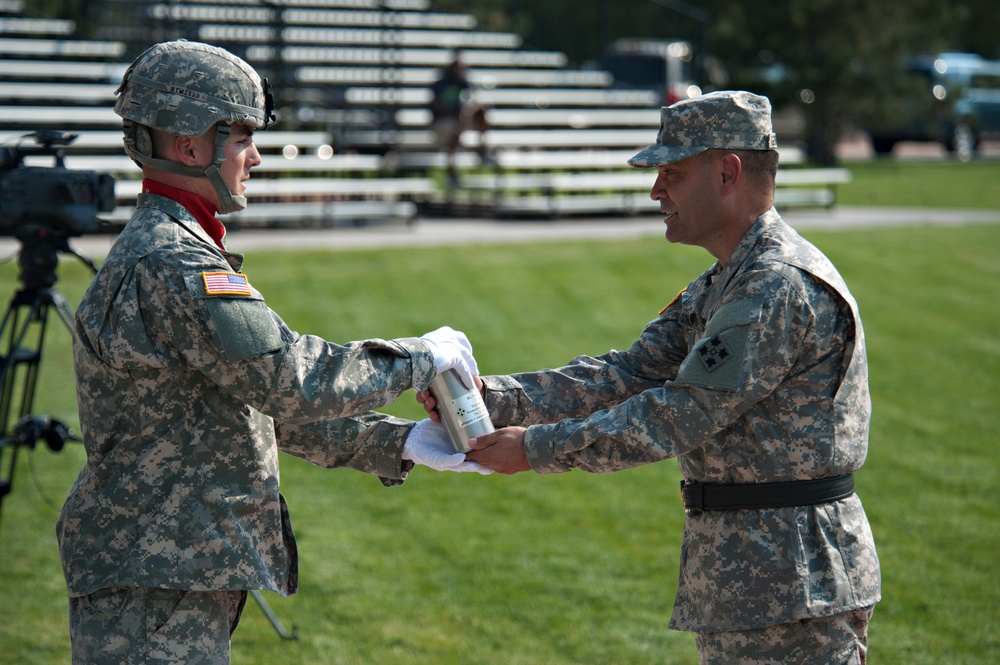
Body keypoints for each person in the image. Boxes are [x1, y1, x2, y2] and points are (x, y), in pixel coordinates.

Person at [56, 40, 487, 665]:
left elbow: (239, 407)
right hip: (157, 578)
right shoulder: (174, 261)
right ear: (189, 145)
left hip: (160, 569)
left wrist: (394, 443)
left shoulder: (168, 249)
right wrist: (422, 356)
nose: (254, 157)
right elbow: (290, 380)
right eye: (242, 139)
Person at [419, 91, 881, 663]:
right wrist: (494, 399)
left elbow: (676, 414)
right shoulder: (727, 282)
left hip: (794, 584)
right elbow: (628, 374)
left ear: (727, 172)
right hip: (761, 579)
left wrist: (534, 449)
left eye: (671, 173)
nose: (656, 190)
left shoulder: (775, 286)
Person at [429, 52, 490, 186]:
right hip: (441, 124)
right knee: (456, 126)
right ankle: (451, 167)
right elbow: (437, 107)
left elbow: (474, 100)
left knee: (480, 111)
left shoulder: (464, 83)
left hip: (460, 122)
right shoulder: (440, 85)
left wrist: (467, 110)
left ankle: (482, 146)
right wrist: (456, 112)